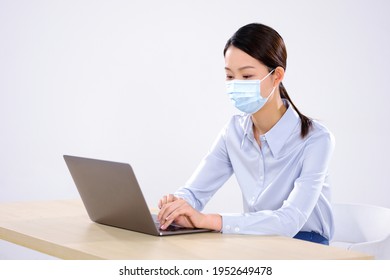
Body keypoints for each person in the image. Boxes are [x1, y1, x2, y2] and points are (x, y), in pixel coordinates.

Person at [157, 23, 335, 245]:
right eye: (230, 77)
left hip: (307, 245)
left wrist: (210, 221)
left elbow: (290, 220)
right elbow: (195, 192)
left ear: (277, 75)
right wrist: (178, 205)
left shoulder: (316, 139)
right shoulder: (234, 131)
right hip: (255, 242)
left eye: (247, 76)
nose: (236, 85)